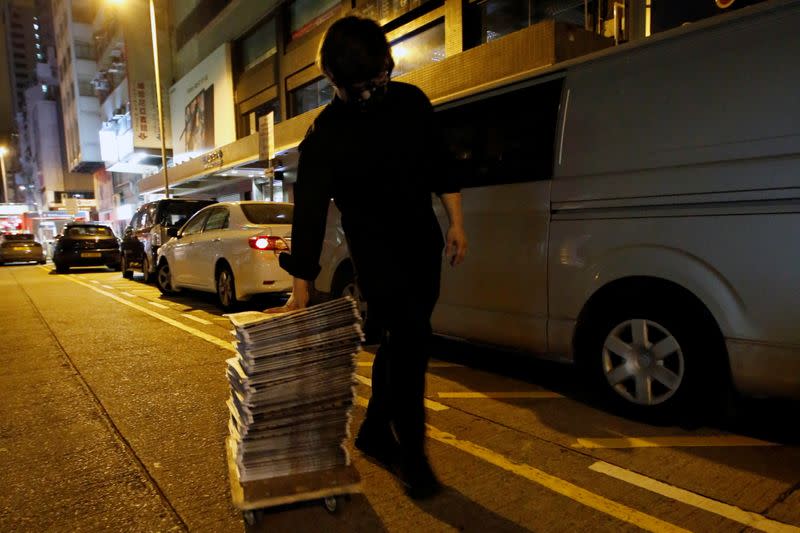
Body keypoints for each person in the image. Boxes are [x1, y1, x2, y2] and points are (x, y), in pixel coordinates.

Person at [275, 15, 467, 499]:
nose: (372, 92)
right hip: (375, 255)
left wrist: (457, 223)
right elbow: (310, 214)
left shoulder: (410, 101)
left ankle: (375, 429)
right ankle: (414, 456)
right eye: (360, 87)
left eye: (380, 79)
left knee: (404, 340)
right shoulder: (324, 135)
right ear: (334, 82)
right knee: (412, 342)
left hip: (422, 240)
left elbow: (440, 164)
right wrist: (302, 286)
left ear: (388, 65)